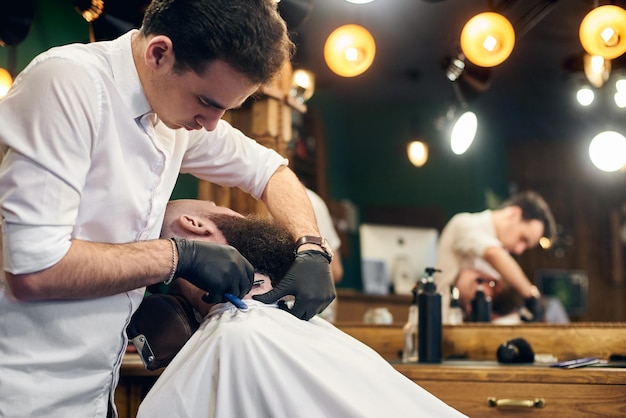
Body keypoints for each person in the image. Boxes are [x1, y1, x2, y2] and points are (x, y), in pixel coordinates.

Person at [0, 1, 334, 417]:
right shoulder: (69, 83)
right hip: (19, 389)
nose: (212, 123)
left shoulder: (172, 113)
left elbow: (270, 171)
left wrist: (312, 249)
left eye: (226, 108)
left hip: (93, 393)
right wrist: (178, 256)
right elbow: (33, 269)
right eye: (208, 101)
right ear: (160, 53)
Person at [135, 199, 467, 418]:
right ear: (194, 224)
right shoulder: (240, 338)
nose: (234, 210)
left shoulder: (256, 330)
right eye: (219, 205)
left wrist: (313, 247)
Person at [436, 191, 556, 324]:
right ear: (514, 214)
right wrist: (531, 295)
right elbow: (492, 254)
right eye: (523, 239)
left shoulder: (500, 251)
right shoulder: (465, 224)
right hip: (439, 325)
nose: (519, 249)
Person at [306, 187, 343, 322]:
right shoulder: (315, 200)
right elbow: (336, 271)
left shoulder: (264, 200)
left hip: (296, 312)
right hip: (325, 309)